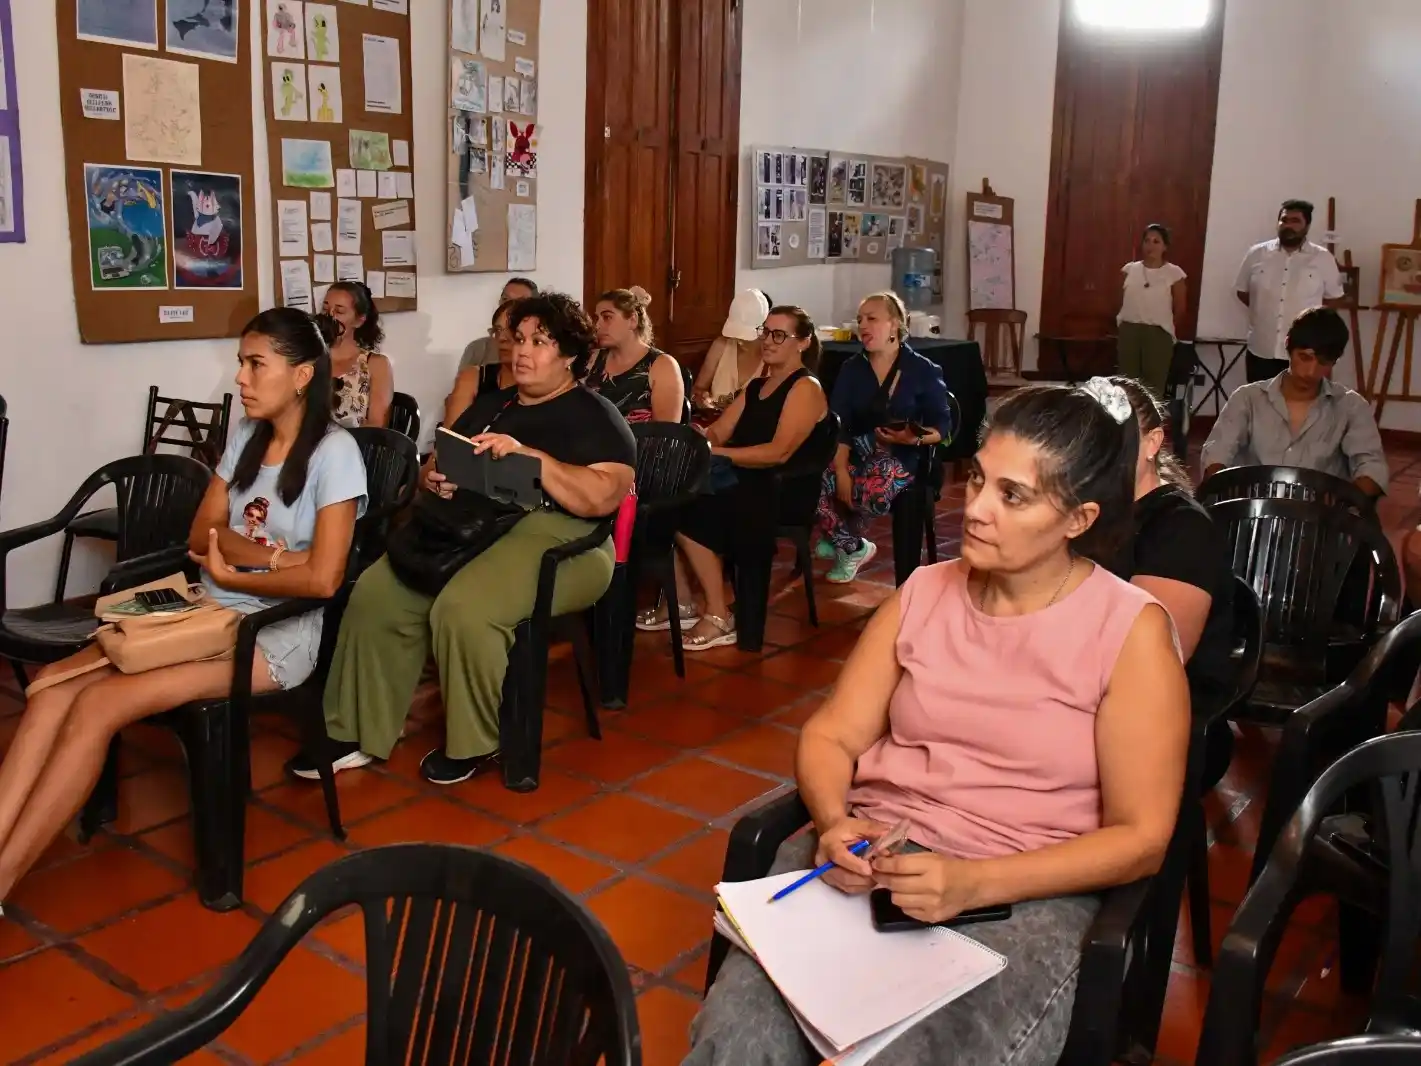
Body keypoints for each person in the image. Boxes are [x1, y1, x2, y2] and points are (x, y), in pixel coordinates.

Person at [687, 378, 1189, 1066]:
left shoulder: (1128, 633)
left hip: (1023, 889)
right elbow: (833, 735)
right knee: (734, 1047)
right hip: (874, 856)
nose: (975, 509)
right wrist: (835, 822)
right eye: (978, 479)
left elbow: (1142, 839)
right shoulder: (924, 592)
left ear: (1078, 519)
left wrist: (974, 883)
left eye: (1011, 496)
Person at [0, 308, 366, 909]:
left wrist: (246, 564)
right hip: (205, 607)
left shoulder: (336, 453)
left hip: (271, 638)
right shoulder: (247, 434)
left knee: (96, 704)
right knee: (48, 687)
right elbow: (202, 538)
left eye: (256, 364)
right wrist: (266, 560)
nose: (241, 378)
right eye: (241, 363)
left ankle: (7, 876)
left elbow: (325, 580)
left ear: (302, 375)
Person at [303, 292, 636, 786]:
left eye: (540, 342)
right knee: (377, 593)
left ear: (568, 355)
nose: (522, 351)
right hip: (476, 528)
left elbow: (602, 498)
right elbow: (438, 462)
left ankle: (475, 741)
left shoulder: (595, 415)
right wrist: (433, 479)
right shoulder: (492, 403)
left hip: (566, 540)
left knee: (463, 608)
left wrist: (533, 459)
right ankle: (355, 728)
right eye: (518, 339)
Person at [671, 306, 828, 650]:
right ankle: (683, 602)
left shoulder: (805, 387)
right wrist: (695, 439)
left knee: (690, 509)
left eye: (779, 335)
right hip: (746, 479)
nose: (768, 341)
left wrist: (717, 454)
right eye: (765, 332)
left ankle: (717, 613)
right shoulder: (756, 386)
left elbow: (778, 453)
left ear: (802, 343)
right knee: (672, 497)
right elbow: (720, 431)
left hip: (781, 489)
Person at [815, 291, 952, 584]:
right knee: (816, 481)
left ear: (895, 325)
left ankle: (847, 535)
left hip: (908, 457)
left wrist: (912, 439)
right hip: (857, 452)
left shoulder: (923, 370)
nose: (862, 325)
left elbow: (943, 426)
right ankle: (853, 547)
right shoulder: (852, 369)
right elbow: (838, 424)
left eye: (872, 319)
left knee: (876, 487)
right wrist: (840, 471)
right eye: (860, 319)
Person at [1110, 377, 1234, 694]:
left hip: (1156, 710)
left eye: (1114, 441)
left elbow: (1148, 667)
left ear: (1152, 442)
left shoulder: (1183, 529)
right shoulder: (1083, 510)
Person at [1202, 307, 1386, 497]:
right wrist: (1225, 489)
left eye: (1323, 363)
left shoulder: (1351, 407)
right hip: (1253, 512)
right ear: (1288, 345)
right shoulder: (1247, 398)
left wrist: (1345, 502)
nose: (1310, 372)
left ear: (1335, 361)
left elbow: (1372, 467)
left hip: (1321, 517)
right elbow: (1217, 453)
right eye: (1304, 357)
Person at [1236, 199, 1344, 383]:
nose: (1288, 225)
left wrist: (1310, 325)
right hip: (1262, 348)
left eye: (1295, 221)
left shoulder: (1323, 258)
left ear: (1307, 225)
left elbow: (1333, 300)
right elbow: (1243, 292)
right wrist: (1265, 309)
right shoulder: (1257, 254)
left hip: (1304, 352)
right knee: (1260, 405)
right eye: (1284, 220)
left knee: (1301, 407)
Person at [444, 277, 539, 425]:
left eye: (511, 331)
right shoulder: (476, 367)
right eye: (498, 330)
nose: (502, 338)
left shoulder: (545, 383)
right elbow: (451, 435)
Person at [586, 287, 685, 423]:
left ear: (632, 320)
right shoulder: (592, 359)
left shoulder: (663, 366)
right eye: (597, 318)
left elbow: (665, 436)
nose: (597, 325)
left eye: (607, 317)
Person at [1115, 223, 1187, 399]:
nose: (1150, 246)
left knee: (1153, 388)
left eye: (1156, 241)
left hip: (1157, 333)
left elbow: (1181, 307)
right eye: (1147, 241)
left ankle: (1150, 426)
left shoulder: (1174, 273)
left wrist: (1163, 328)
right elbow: (1119, 299)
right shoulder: (1130, 269)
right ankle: (1127, 425)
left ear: (1164, 246)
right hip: (1129, 330)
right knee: (1126, 385)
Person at [324, 282, 394, 429]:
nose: (329, 317)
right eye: (325, 309)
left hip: (357, 447)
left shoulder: (376, 364)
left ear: (359, 320)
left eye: (339, 312)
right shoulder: (311, 359)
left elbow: (377, 425)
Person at [693, 289, 770, 417]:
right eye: (735, 332)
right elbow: (697, 390)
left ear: (764, 329)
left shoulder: (772, 357)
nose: (739, 339)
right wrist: (702, 400)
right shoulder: (721, 346)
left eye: (745, 336)